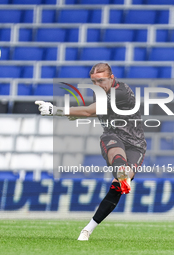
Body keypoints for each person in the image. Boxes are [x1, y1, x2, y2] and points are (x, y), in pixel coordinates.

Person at [35, 63, 147, 241]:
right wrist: (74, 114)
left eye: (101, 81)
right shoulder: (104, 93)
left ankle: (88, 228)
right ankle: (123, 174)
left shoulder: (121, 91)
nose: (98, 85)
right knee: (117, 156)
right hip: (112, 136)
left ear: (111, 78)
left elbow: (89, 111)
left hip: (136, 145)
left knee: (117, 186)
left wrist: (56, 110)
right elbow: (98, 112)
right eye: (94, 82)